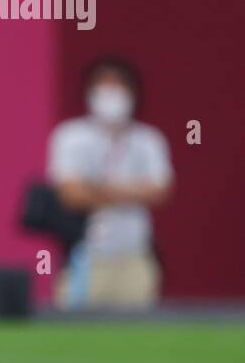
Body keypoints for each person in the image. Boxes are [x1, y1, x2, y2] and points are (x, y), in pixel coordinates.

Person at [47, 58, 172, 309]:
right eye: (104, 86)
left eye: (118, 86)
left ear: (133, 93)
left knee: (137, 338)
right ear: (89, 92)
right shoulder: (70, 136)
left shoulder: (149, 140)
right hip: (85, 256)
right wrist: (133, 191)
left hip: (136, 256)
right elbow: (71, 194)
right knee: (75, 336)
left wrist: (96, 188)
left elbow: (160, 191)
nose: (111, 94)